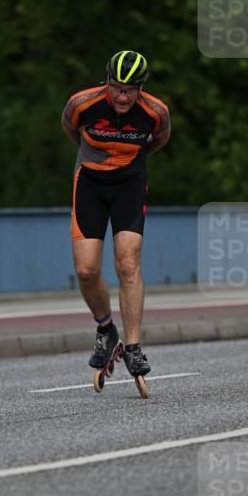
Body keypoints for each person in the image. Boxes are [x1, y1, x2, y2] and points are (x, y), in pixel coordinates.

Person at [61, 50, 171, 381]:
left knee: (128, 264)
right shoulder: (82, 103)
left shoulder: (156, 112)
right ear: (107, 81)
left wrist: (132, 159)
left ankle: (134, 347)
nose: (122, 97)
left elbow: (159, 139)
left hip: (129, 186)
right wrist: (92, 155)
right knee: (85, 270)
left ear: (141, 88)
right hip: (90, 185)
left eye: (130, 90)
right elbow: (70, 128)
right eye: (116, 88)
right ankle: (106, 330)